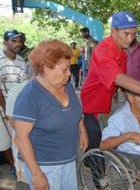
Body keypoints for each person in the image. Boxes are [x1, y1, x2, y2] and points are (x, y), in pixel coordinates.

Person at [81, 11, 140, 155]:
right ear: (113, 31)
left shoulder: (122, 51)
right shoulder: (103, 50)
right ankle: (98, 176)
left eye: (133, 34)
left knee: (109, 135)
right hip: (93, 103)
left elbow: (123, 82)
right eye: (126, 34)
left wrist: (133, 97)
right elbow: (118, 78)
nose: (130, 38)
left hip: (108, 101)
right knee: (96, 145)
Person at [12, 39, 88, 190]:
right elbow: (21, 138)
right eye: (64, 69)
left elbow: (74, 111)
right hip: (44, 166)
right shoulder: (30, 96)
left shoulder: (67, 86)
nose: (69, 74)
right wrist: (36, 174)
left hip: (68, 159)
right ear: (46, 68)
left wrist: (82, 129)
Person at [0, 29, 25, 175]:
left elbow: (22, 86)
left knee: (18, 137)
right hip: (2, 107)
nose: (18, 44)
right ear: (5, 42)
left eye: (19, 41)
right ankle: (13, 165)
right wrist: (5, 109)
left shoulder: (21, 62)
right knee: (4, 141)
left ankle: (19, 165)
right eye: (13, 41)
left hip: (16, 107)